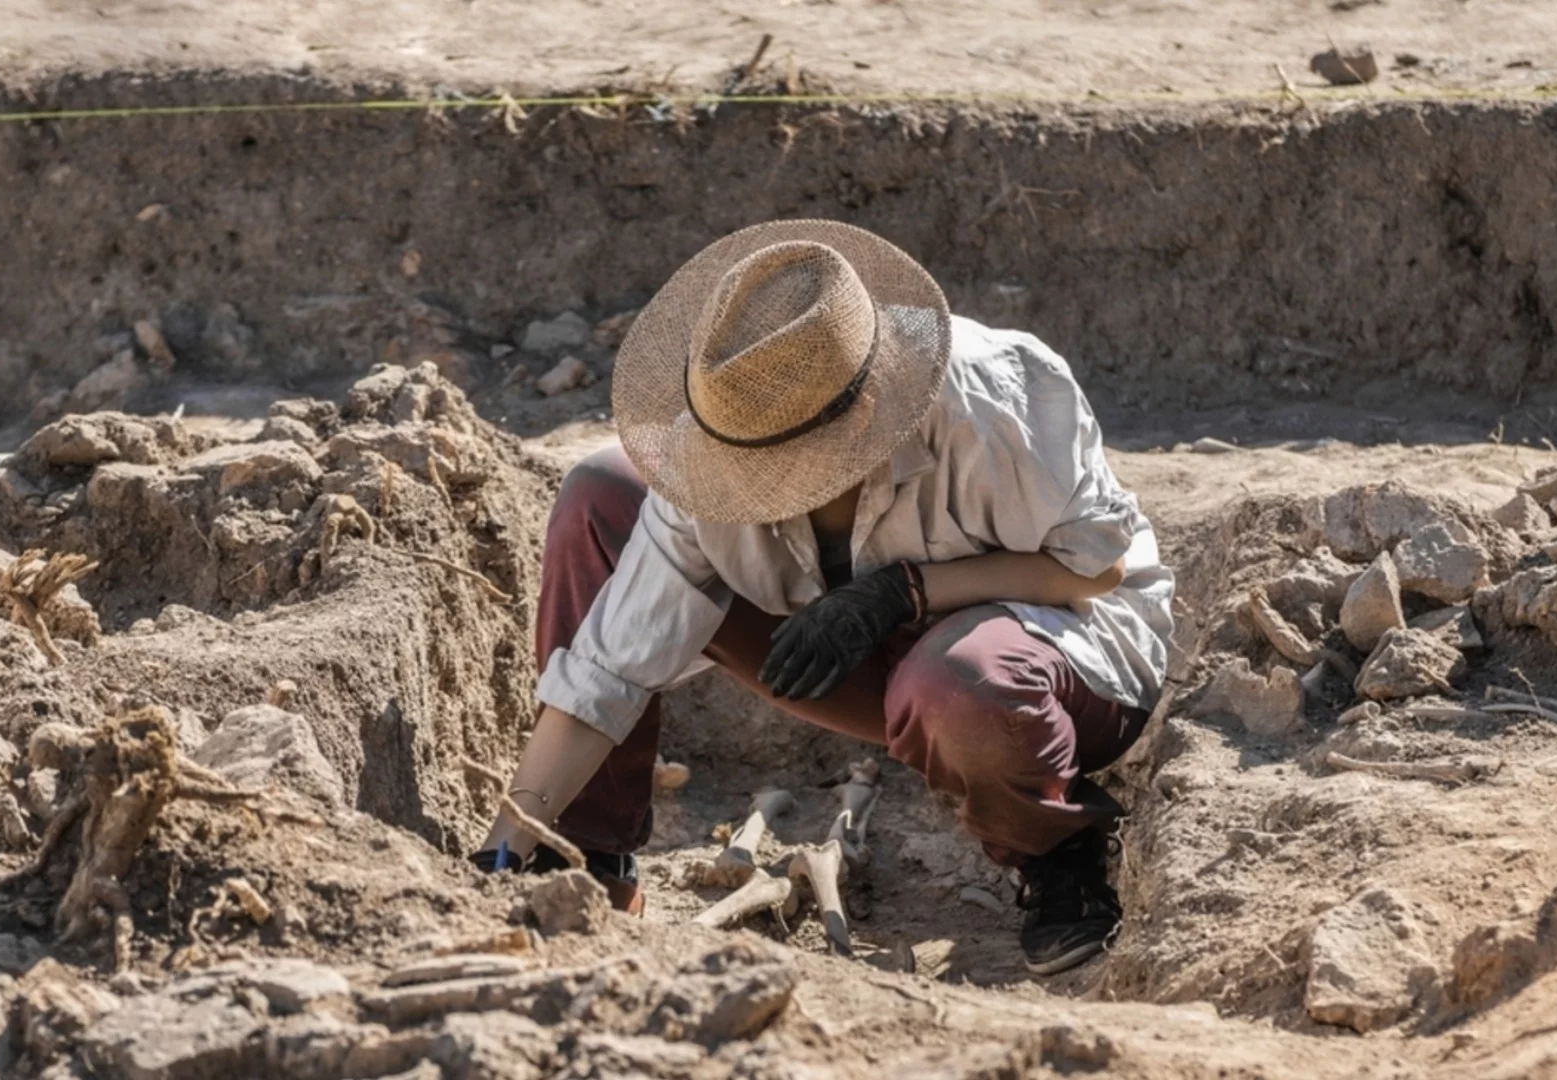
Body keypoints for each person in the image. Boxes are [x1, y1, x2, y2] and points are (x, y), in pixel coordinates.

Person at [473, 219, 1173, 976]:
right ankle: (581, 862)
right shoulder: (723, 435)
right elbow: (609, 663)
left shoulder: (996, 398)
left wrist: (905, 592)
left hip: (1058, 658)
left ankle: (1058, 848)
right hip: (863, 660)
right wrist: (510, 839)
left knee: (959, 680)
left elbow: (1096, 568)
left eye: (785, 469)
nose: (752, 492)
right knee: (603, 493)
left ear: (863, 416)